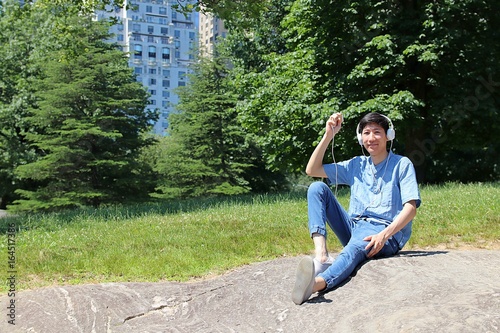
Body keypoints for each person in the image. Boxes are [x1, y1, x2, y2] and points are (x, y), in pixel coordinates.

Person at [291, 112, 421, 305]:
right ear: (361, 138)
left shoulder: (402, 164)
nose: (371, 138)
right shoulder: (356, 165)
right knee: (317, 188)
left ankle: (315, 284)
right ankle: (322, 256)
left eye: (377, 132)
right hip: (354, 226)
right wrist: (329, 135)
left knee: (354, 247)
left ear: (388, 135)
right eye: (366, 133)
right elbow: (312, 170)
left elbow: (410, 208)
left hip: (384, 233)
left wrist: (384, 235)